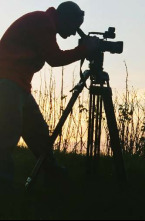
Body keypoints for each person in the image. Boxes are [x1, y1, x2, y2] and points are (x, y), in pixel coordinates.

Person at [0, 1, 99, 192]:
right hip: (7, 83)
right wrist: (85, 50)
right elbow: (55, 59)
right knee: (6, 136)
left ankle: (53, 176)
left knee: (38, 132)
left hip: (18, 85)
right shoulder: (42, 22)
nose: (73, 33)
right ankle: (5, 190)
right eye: (74, 27)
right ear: (65, 18)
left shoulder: (43, 23)